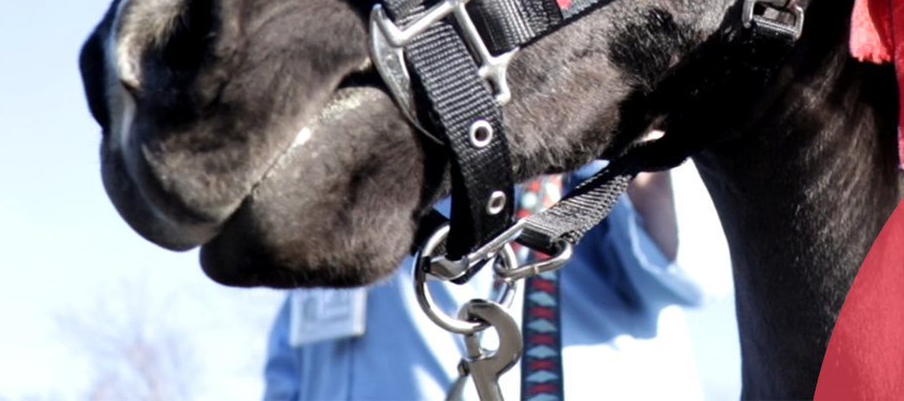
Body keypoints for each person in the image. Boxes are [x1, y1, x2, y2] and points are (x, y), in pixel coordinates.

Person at [263, 162, 737, 400]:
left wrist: (631, 128)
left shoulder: (584, 152)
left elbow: (697, 272)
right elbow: (298, 357)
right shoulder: (361, 178)